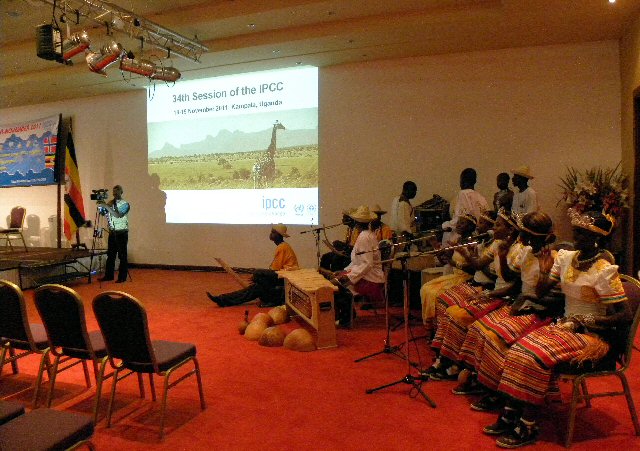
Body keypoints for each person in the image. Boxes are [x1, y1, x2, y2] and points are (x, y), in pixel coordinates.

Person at [485, 210, 630, 448]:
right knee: (516, 349)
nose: (577, 238)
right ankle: (511, 410)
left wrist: (584, 321)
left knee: (532, 357)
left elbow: (624, 315)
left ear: (598, 239)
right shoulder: (566, 257)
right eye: (576, 232)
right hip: (565, 325)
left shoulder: (604, 270)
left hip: (590, 334)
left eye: (583, 234)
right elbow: (541, 292)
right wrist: (544, 269)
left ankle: (528, 424)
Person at [207, 224, 299, 307]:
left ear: (279, 235)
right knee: (254, 288)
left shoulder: (282, 247)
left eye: (273, 232)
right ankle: (222, 299)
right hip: (281, 276)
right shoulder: (282, 246)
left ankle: (222, 299)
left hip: (286, 278)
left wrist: (258, 276)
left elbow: (275, 270)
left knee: (258, 273)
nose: (270, 234)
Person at [440, 168, 489, 246]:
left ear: (462, 180)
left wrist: (444, 226)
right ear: (475, 181)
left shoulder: (463, 194)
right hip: (477, 236)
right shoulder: (481, 198)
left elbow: (459, 219)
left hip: (461, 238)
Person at [98, 185, 130, 283]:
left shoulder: (125, 204)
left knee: (122, 256)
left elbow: (118, 214)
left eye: (117, 193)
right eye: (114, 193)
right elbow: (103, 213)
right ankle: (109, 275)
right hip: (112, 233)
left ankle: (122, 277)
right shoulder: (110, 203)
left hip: (122, 233)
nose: (115, 195)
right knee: (110, 255)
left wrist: (108, 206)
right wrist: (101, 206)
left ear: (121, 192)